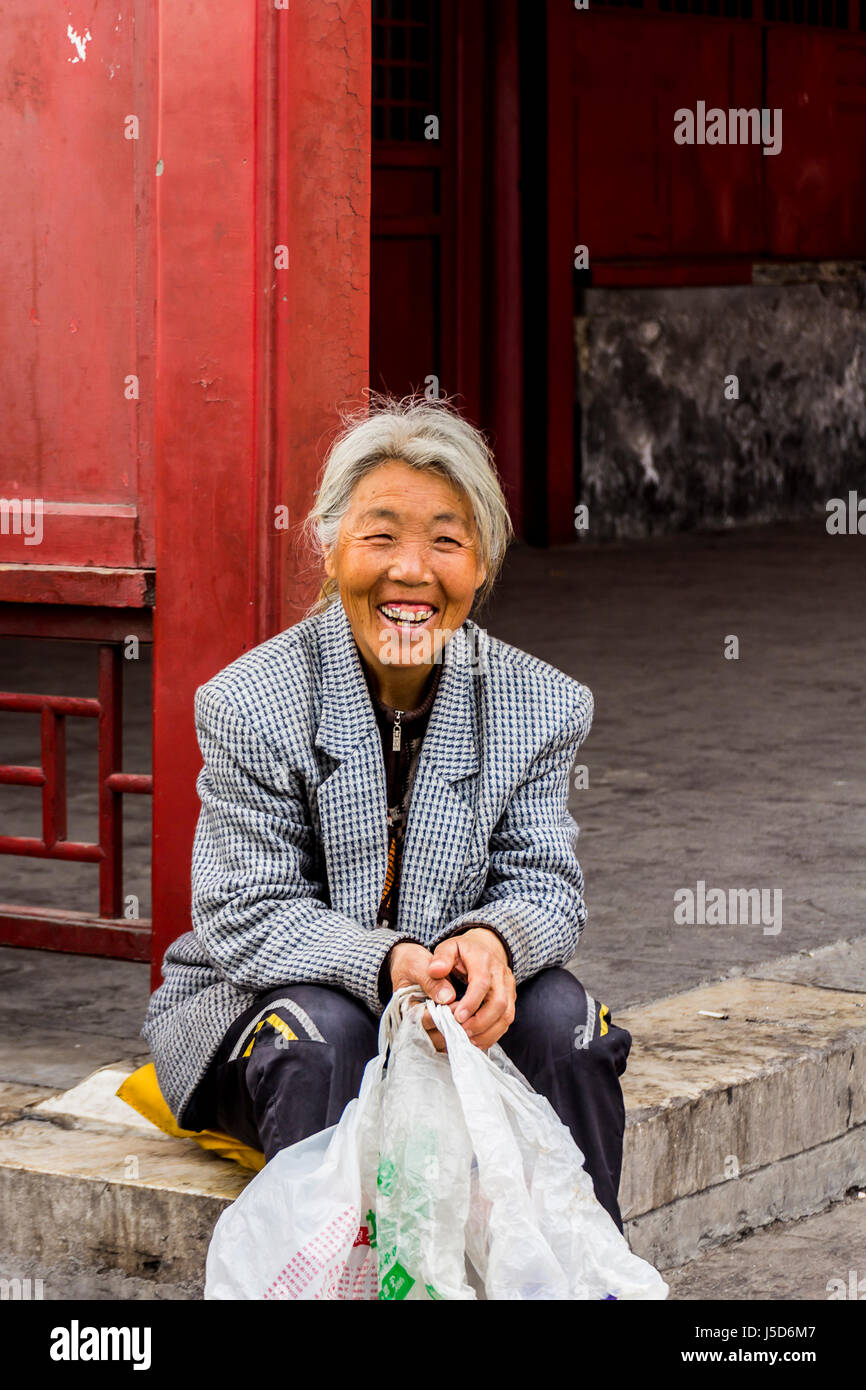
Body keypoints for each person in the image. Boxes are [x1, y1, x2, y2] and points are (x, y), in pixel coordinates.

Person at [141, 395, 632, 1229]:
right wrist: (390, 963)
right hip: (278, 1013)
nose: (412, 570)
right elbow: (244, 915)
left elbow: (546, 885)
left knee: (566, 1021)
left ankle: (582, 1270)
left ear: (482, 564)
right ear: (330, 551)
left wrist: (492, 943)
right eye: (380, 536)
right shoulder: (250, 703)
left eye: (446, 540)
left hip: (448, 1015)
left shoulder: (540, 704)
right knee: (322, 1030)